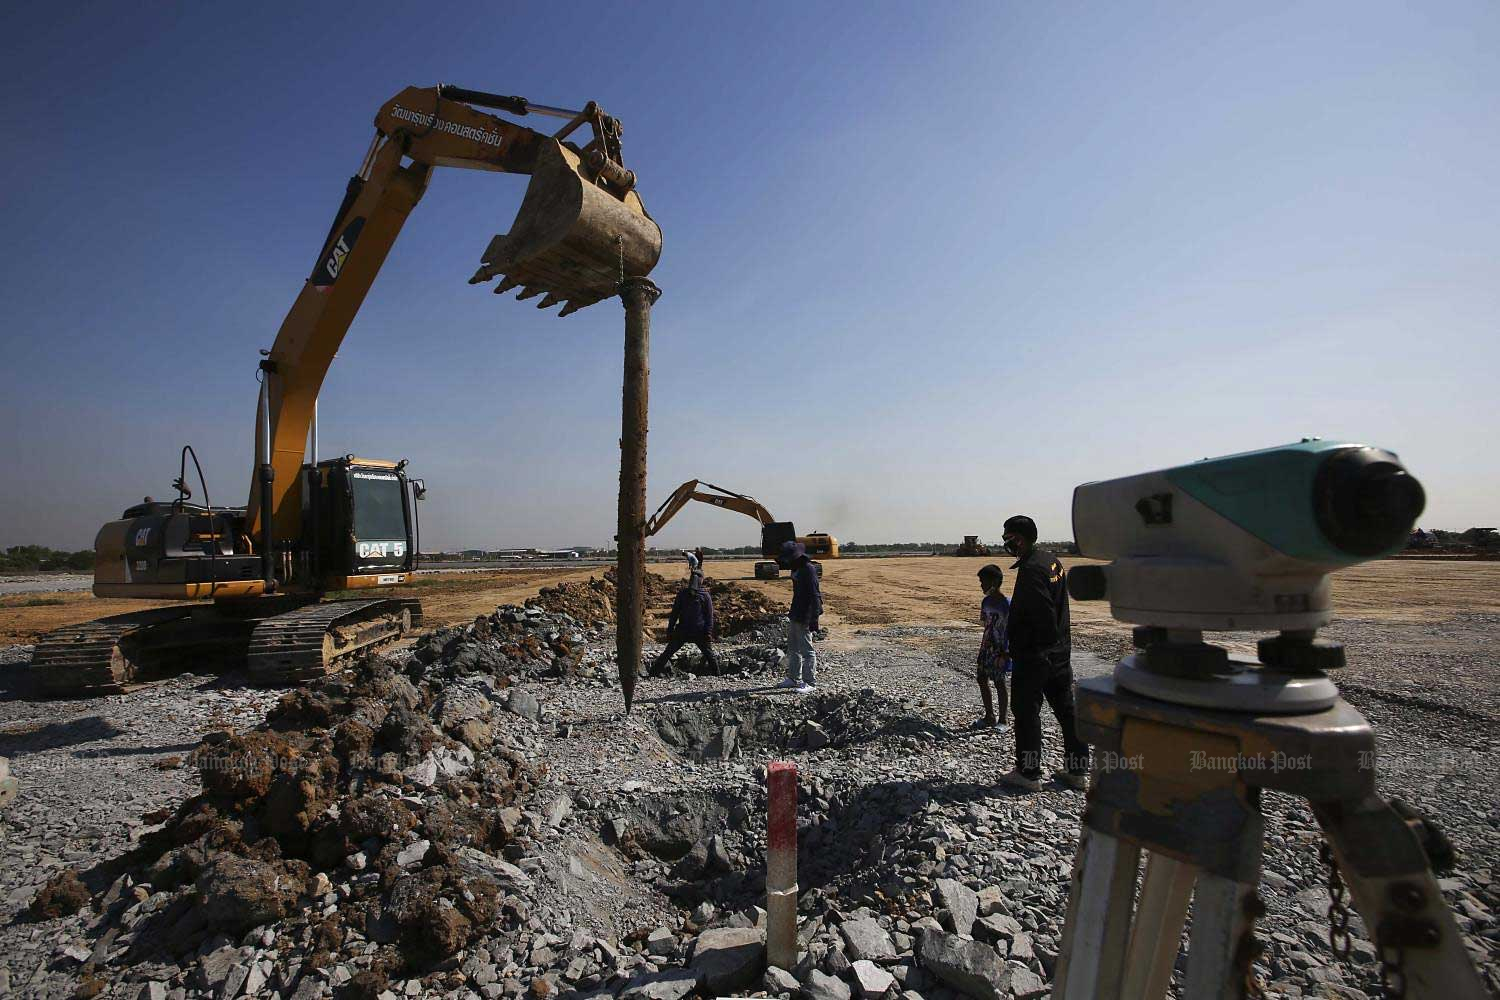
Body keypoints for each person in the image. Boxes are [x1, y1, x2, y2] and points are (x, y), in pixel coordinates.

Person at [998, 515, 1089, 792]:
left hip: (1037, 655)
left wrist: (1026, 649)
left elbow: (1041, 615)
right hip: (1060, 651)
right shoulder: (1051, 560)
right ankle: (1077, 770)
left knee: (1026, 712)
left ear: (1019, 539)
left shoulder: (1033, 570)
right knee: (1066, 710)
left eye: (1007, 539)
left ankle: (1028, 772)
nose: (1006, 544)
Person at [651, 569, 719, 676]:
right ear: (701, 580)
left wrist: (708, 632)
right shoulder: (699, 595)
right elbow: (709, 617)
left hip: (692, 631)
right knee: (709, 655)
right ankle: (653, 673)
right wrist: (670, 630)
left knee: (709, 655)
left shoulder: (696, 595)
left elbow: (709, 617)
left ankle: (717, 675)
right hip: (689, 631)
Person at [776, 540, 822, 692]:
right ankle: (794, 678)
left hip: (805, 614)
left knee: (807, 650)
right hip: (795, 612)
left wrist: (814, 618)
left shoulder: (808, 569)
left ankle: (810, 682)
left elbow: (815, 594)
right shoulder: (796, 568)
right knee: (793, 648)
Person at [975, 564, 1011, 730]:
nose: (981, 585)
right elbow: (986, 625)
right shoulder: (986, 602)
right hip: (987, 647)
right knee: (981, 678)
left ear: (995, 581)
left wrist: (1006, 652)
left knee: (999, 682)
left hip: (1001, 650)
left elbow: (1012, 630)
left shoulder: (1007, 604)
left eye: (984, 581)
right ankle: (989, 716)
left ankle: (1003, 720)